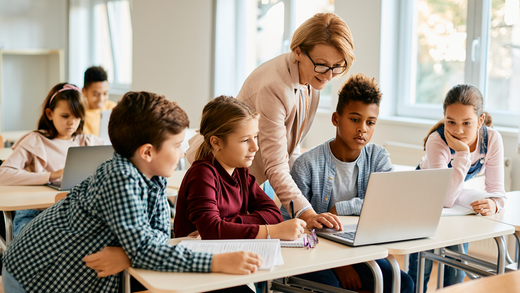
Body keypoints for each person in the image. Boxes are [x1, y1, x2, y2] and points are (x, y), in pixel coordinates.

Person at [1, 92, 262, 293]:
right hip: (35, 276)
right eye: (176, 145)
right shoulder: (120, 176)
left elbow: (157, 239)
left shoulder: (154, 176)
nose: (183, 153)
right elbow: (148, 249)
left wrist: (129, 255)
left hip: (79, 273)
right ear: (147, 152)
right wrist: (218, 262)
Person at [187, 13, 354, 231]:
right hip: (220, 173)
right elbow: (276, 164)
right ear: (298, 52)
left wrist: (308, 205)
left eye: (337, 66)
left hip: (245, 179)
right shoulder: (275, 86)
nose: (329, 75)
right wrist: (307, 212)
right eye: (322, 65)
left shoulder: (313, 78)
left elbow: (289, 150)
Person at [289, 73, 414, 292]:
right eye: (355, 119)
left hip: (360, 249)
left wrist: (341, 209)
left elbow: (388, 203)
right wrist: (340, 266)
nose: (363, 128)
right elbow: (290, 223)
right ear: (336, 118)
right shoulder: (307, 164)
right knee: (333, 286)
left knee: (403, 282)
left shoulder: (378, 157)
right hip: (315, 252)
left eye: (370, 122)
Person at [408, 84, 506, 292]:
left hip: (452, 197)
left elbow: (497, 191)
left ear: (480, 120)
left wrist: (494, 204)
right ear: (444, 117)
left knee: (456, 268)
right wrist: (462, 153)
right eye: (450, 121)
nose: (458, 130)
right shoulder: (437, 141)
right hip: (424, 196)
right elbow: (444, 198)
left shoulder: (492, 139)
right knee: (420, 269)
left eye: (467, 123)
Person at [175, 96, 306, 241]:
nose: (255, 147)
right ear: (216, 142)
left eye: (255, 137)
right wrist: (272, 231)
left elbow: (274, 214)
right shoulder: (202, 174)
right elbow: (212, 231)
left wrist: (224, 226)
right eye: (245, 140)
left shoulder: (240, 172)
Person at [0, 83, 104, 236]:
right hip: (36, 214)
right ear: (50, 114)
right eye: (65, 116)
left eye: (77, 117)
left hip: (74, 214)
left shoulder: (89, 142)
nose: (72, 122)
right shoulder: (35, 141)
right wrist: (50, 176)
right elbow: (3, 175)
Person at [82, 66, 117, 136]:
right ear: (84, 91)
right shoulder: (78, 113)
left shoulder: (113, 108)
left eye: (105, 93)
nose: (101, 99)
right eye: (96, 94)